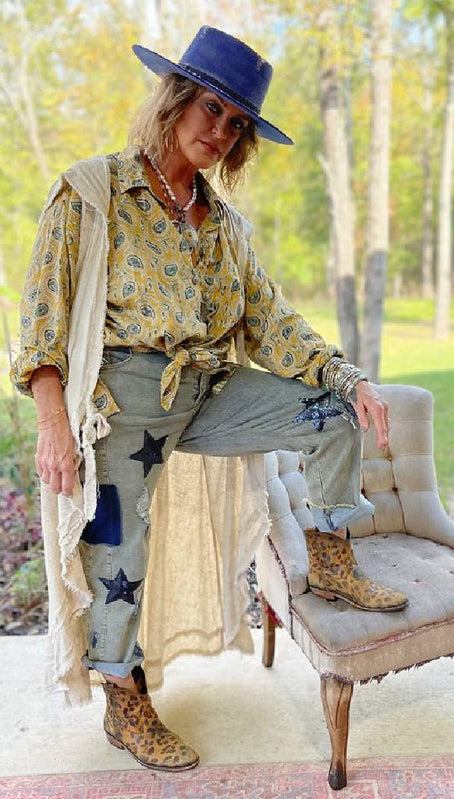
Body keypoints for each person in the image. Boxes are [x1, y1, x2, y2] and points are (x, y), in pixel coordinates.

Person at [11, 26, 408, 773]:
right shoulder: (92, 191)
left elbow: (271, 322)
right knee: (117, 554)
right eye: (211, 109)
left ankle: (329, 558)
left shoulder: (223, 225)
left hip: (209, 391)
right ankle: (124, 703)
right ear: (173, 100)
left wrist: (347, 377)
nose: (221, 132)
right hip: (123, 403)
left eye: (237, 124)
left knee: (330, 412)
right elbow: (41, 318)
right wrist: (53, 423)